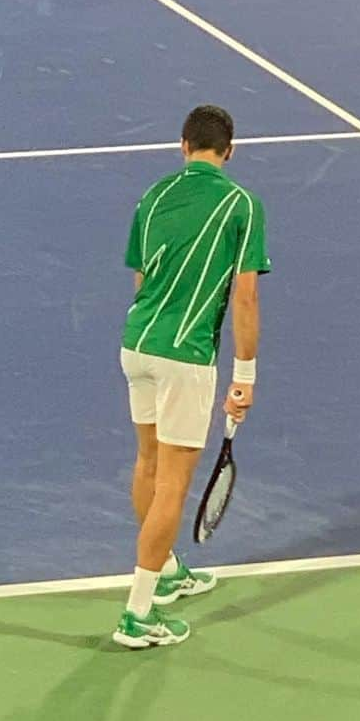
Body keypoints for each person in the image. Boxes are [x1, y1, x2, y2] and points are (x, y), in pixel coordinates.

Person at [113, 104, 270, 649]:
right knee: (173, 486)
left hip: (137, 346)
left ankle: (169, 571)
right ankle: (137, 613)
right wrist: (244, 374)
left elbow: (142, 277)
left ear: (182, 147)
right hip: (186, 357)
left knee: (148, 463)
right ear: (229, 152)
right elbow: (244, 296)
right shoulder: (241, 204)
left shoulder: (152, 197)